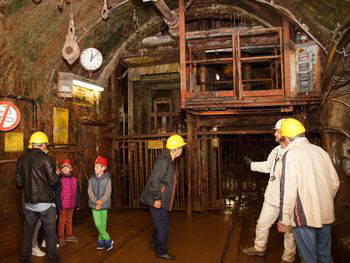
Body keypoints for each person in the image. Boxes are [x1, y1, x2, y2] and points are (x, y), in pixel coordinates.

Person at [277, 118, 339, 263]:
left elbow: (288, 189)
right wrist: (325, 201)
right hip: (326, 214)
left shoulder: (291, 154)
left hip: (305, 217)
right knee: (325, 256)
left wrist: (284, 219)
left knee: (308, 258)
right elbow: (335, 182)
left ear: (286, 138)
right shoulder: (320, 151)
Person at [243, 119, 296, 263]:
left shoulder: (296, 153)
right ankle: (259, 248)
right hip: (272, 197)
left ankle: (288, 258)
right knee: (262, 223)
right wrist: (252, 165)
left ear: (285, 133)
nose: (275, 133)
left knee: (289, 231)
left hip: (289, 200)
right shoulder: (276, 150)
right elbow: (268, 166)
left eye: (278, 131)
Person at [16, 131, 60, 262]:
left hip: (29, 204)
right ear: (43, 144)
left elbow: (19, 183)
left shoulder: (21, 159)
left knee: (27, 233)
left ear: (32, 144)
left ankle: (24, 259)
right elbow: (53, 180)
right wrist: (56, 175)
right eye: (46, 144)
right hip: (46, 204)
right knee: (50, 234)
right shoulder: (46, 158)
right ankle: (53, 260)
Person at [140, 134, 186, 260]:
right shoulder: (164, 161)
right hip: (157, 198)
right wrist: (157, 198)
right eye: (181, 148)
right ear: (176, 149)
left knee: (158, 223)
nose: (182, 150)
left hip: (159, 197)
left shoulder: (166, 158)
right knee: (162, 225)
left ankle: (155, 243)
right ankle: (161, 251)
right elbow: (155, 181)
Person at [88, 156, 114, 251]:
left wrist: (101, 202)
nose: (95, 168)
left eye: (98, 166)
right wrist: (96, 202)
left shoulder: (107, 179)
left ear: (103, 168)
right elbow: (90, 192)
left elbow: (108, 193)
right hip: (94, 205)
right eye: (95, 166)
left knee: (103, 225)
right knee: (98, 224)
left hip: (104, 205)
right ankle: (108, 240)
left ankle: (100, 242)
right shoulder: (91, 179)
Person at [55, 159, 81, 247]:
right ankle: (61, 237)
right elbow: (57, 194)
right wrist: (59, 206)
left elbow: (77, 193)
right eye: (64, 167)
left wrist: (78, 204)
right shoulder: (59, 180)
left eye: (68, 167)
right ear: (61, 170)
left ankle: (69, 235)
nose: (66, 169)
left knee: (69, 221)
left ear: (71, 169)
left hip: (71, 204)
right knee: (62, 222)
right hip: (62, 205)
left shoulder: (74, 179)